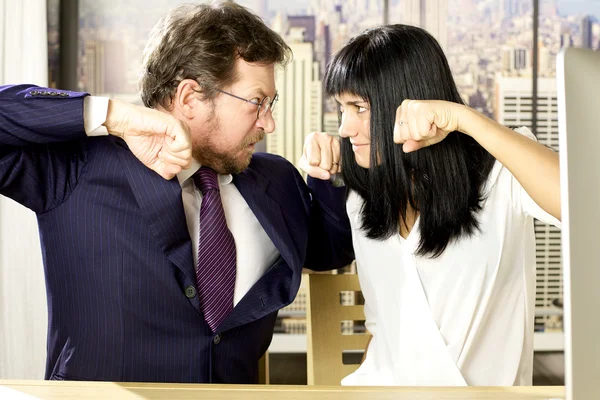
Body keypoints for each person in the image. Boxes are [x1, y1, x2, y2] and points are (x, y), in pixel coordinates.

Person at [0, 2, 352, 383]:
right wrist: (114, 116)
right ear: (189, 98)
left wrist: (323, 175)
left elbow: (329, 250)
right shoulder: (79, 167)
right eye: (257, 102)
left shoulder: (277, 181)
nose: (268, 122)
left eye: (271, 103)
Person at [300, 24, 560, 386]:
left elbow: (582, 204)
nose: (345, 128)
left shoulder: (502, 175)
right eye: (341, 108)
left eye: (359, 107)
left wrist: (464, 118)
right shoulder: (362, 200)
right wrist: (320, 175)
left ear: (408, 101)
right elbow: (383, 335)